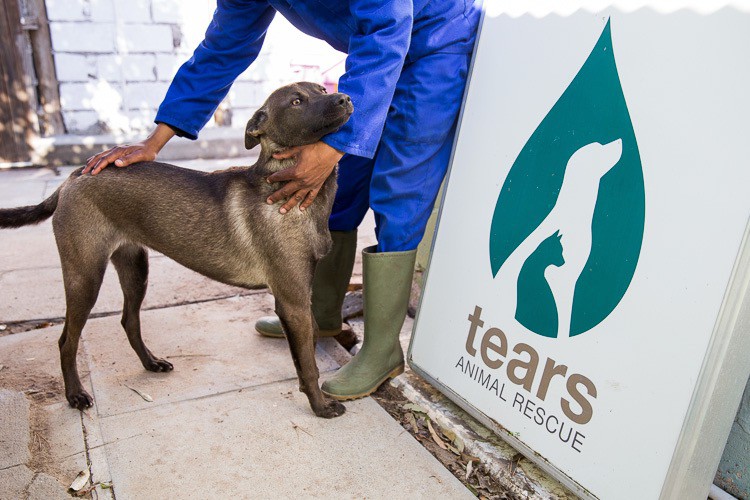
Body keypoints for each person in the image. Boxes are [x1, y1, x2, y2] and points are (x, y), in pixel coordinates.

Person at [84, 0, 481, 401]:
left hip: (433, 46)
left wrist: (334, 146)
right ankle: (320, 312)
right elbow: (223, 47)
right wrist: (155, 142)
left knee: (399, 192)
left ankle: (383, 350)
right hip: (372, 60)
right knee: (337, 191)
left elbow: (387, 28)